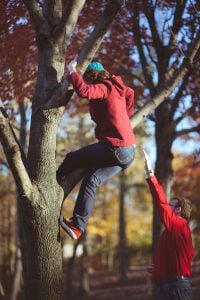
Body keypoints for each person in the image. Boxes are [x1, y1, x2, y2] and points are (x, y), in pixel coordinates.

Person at [57, 56, 136, 240]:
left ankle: (54, 182)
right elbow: (130, 93)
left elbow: (84, 91)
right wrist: (126, 113)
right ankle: (77, 226)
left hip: (115, 148)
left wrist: (72, 71)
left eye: (88, 78)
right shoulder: (118, 88)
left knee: (71, 158)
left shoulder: (104, 87)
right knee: (91, 180)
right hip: (129, 152)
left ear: (92, 77)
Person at [143, 149, 194, 300]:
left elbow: (161, 203)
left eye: (171, 206)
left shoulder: (179, 224)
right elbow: (181, 259)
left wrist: (150, 175)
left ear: (178, 210)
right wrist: (160, 269)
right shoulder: (173, 232)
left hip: (175, 289)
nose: (168, 209)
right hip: (167, 288)